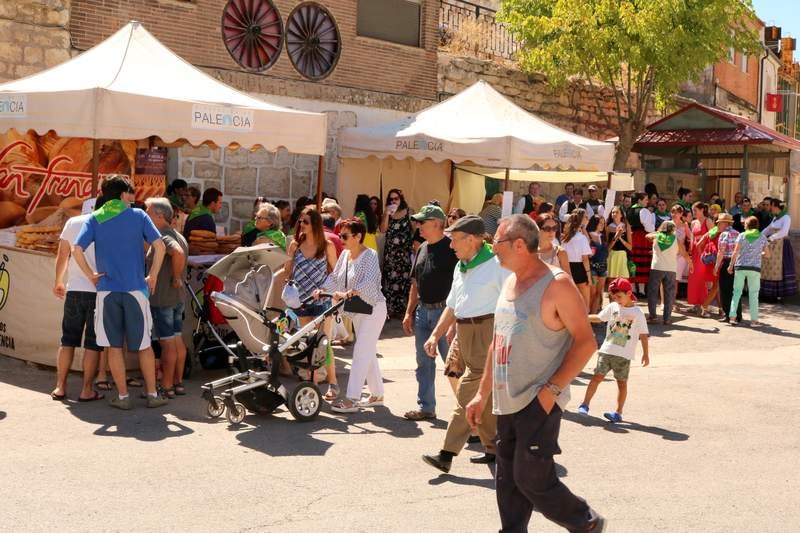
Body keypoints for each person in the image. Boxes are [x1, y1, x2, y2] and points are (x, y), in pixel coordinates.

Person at [465, 214, 604, 532]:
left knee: (532, 477)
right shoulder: (510, 281)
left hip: (538, 400)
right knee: (508, 483)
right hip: (506, 400)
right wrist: (481, 393)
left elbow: (585, 343)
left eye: (496, 242)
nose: (492, 248)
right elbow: (497, 342)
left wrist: (549, 393)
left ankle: (586, 523)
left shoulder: (556, 285)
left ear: (517, 244)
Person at [421, 215, 510, 471]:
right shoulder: (461, 266)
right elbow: (452, 304)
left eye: (455, 240)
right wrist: (436, 334)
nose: (451, 245)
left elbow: (515, 299)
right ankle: (494, 450)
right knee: (482, 394)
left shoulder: (498, 264)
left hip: (488, 332)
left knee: (468, 393)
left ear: (471, 240)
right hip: (465, 332)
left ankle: (447, 454)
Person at [72, 175, 168, 409]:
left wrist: (91, 276)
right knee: (144, 344)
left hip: (107, 291)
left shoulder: (95, 218)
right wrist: (153, 275)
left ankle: (123, 397)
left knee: (113, 346)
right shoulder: (138, 215)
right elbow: (160, 246)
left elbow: (76, 249)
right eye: (131, 193)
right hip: (136, 289)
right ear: (124, 195)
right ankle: (153, 395)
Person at [317, 218, 387, 413]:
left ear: (358, 236)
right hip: (357, 310)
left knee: (360, 352)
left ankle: (352, 399)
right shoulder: (345, 255)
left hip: (373, 308)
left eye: (345, 236)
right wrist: (322, 288)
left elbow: (370, 282)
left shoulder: (370, 255)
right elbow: (336, 277)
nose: (341, 239)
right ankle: (377, 394)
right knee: (368, 352)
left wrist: (350, 292)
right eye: (340, 235)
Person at [402, 205, 459, 421]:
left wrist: (453, 320)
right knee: (423, 363)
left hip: (444, 314)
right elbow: (415, 283)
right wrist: (409, 312)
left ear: (436, 223)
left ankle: (467, 412)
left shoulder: (452, 248)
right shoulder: (422, 247)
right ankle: (426, 407)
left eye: (422, 222)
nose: (419, 227)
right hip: (422, 313)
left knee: (452, 365)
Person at [578, 277, 649, 424]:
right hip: (607, 350)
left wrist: (646, 354)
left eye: (619, 297)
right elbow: (599, 317)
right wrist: (583, 317)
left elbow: (643, 334)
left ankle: (618, 413)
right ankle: (585, 404)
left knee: (621, 383)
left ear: (629, 293)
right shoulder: (613, 307)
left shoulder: (637, 313)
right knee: (596, 378)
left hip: (624, 355)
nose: (616, 300)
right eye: (613, 297)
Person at [50, 212, 104, 402]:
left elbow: (62, 254)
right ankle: (86, 390)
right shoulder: (108, 222)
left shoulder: (73, 222)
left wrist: (58, 281)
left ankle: (60, 387)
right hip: (99, 290)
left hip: (74, 289)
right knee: (93, 344)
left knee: (67, 341)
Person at [285, 206, 339, 394]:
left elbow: (337, 274)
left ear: (315, 224)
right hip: (301, 301)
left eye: (306, 221)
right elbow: (287, 271)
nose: (301, 224)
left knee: (322, 342)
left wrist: (324, 289)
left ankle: (331, 383)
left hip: (322, 300)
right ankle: (312, 380)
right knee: (307, 343)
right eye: (300, 220)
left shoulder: (327, 246)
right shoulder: (295, 244)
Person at [145, 198, 189, 397]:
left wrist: (176, 277)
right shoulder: (178, 235)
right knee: (177, 340)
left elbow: (177, 253)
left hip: (163, 298)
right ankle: (177, 383)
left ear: (159, 216)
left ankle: (167, 385)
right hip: (176, 298)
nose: (145, 215)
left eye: (148, 212)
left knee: (167, 343)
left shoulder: (162, 236)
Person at [645, 221, 691, 324]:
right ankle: (667, 319)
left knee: (652, 293)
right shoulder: (676, 240)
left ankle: (653, 317)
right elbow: (684, 253)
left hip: (656, 268)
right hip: (671, 269)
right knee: (669, 294)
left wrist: (657, 233)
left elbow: (647, 235)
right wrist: (691, 264)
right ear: (673, 229)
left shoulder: (656, 236)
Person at [728, 216, 771, 326]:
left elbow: (736, 252)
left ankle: (732, 317)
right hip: (755, 268)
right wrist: (759, 254)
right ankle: (754, 320)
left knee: (736, 292)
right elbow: (768, 254)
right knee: (753, 294)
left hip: (740, 267)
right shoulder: (762, 237)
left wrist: (730, 265)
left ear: (747, 225)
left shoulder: (741, 235)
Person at [380, 188, 413, 319]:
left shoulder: (409, 212)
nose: (393, 201)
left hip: (404, 253)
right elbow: (383, 230)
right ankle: (389, 310)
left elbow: (414, 230)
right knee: (389, 280)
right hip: (391, 253)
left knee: (403, 281)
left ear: (401, 199)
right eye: (391, 199)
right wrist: (387, 214)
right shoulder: (387, 213)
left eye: (396, 198)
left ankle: (402, 311)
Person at [761, 198, 797, 301]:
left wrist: (771, 238)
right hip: (773, 245)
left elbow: (784, 232)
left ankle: (777, 295)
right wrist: (759, 236)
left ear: (775, 206)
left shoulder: (786, 217)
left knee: (779, 269)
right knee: (769, 267)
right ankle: (768, 294)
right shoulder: (775, 218)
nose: (769, 208)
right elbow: (768, 229)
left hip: (782, 246)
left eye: (770, 206)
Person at [561, 209, 592, 309]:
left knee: (571, 300)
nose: (588, 219)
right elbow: (585, 259)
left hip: (567, 268)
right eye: (586, 217)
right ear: (581, 220)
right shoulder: (581, 238)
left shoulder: (566, 238)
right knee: (585, 301)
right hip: (580, 269)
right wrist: (589, 276)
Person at [713, 213, 741, 324]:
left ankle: (728, 315)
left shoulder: (724, 234)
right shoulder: (738, 233)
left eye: (719, 223)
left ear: (725, 223)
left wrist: (716, 266)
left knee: (725, 290)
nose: (718, 225)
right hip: (737, 263)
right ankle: (737, 315)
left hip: (727, 262)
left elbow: (721, 251)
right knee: (736, 290)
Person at [687, 202, 714, 316]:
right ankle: (695, 304)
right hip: (695, 252)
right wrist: (690, 249)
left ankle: (704, 305)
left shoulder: (708, 221)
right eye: (693, 210)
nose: (694, 213)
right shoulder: (693, 223)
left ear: (702, 209)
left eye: (696, 210)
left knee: (703, 278)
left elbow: (713, 235)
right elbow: (692, 237)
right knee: (694, 278)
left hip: (704, 252)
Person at [627, 192, 655, 293]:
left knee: (633, 262)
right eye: (646, 199)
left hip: (632, 236)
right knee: (642, 262)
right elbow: (649, 228)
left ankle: (633, 288)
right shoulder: (643, 211)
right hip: (642, 238)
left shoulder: (629, 210)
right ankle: (642, 290)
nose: (647, 201)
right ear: (639, 200)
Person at [587, 214, 608, 314]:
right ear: (595, 223)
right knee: (593, 292)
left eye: (603, 223)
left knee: (599, 293)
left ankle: (594, 315)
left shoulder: (602, 236)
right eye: (600, 223)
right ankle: (589, 316)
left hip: (603, 266)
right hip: (593, 267)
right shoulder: (588, 235)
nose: (602, 225)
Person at [606, 206, 632, 280]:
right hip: (611, 256)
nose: (614, 214)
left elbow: (630, 247)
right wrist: (616, 236)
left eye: (617, 212)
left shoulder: (626, 226)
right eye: (613, 212)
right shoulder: (608, 227)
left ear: (621, 215)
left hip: (622, 256)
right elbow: (607, 248)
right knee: (611, 283)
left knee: (623, 282)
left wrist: (620, 238)